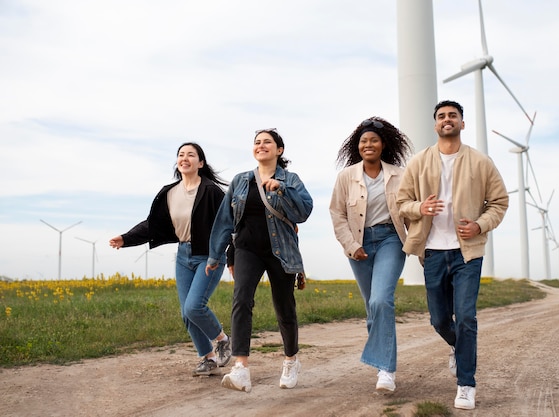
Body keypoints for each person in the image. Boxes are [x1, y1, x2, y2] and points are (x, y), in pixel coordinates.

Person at [396, 100, 509, 410]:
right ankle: (460, 350)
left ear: (462, 123)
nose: (447, 120)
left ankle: (466, 384)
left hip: (467, 253)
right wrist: (421, 208)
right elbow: (401, 202)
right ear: (435, 125)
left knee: (467, 316)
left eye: (453, 116)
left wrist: (480, 225)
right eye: (442, 116)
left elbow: (499, 202)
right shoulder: (419, 162)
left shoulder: (481, 162)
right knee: (440, 320)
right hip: (432, 252)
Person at [109, 142, 232, 377]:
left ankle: (223, 339)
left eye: (191, 155)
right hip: (184, 255)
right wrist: (126, 238)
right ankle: (208, 358)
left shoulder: (211, 191)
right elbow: (153, 225)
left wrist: (229, 256)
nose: (185, 158)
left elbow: (228, 224)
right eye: (181, 155)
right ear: (177, 162)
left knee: (194, 306)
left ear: (201, 163)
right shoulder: (170, 192)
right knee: (186, 313)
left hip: (209, 257)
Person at [206, 128, 313, 393]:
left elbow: (304, 211)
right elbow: (225, 221)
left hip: (281, 250)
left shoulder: (291, 179)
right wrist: (215, 254)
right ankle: (240, 367)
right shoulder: (241, 180)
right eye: (257, 142)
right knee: (241, 300)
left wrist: (282, 189)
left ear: (279, 150)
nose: (261, 145)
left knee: (284, 305)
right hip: (246, 249)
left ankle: (291, 360)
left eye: (267, 142)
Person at [329, 117, 413, 393]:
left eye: (374, 140)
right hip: (359, 244)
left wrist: (419, 246)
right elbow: (337, 214)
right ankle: (381, 366)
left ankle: (387, 371)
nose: (368, 145)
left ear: (383, 144)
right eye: (364, 141)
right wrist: (351, 245)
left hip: (391, 238)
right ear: (358, 146)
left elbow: (410, 210)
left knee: (381, 300)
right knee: (371, 308)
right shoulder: (346, 177)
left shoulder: (400, 174)